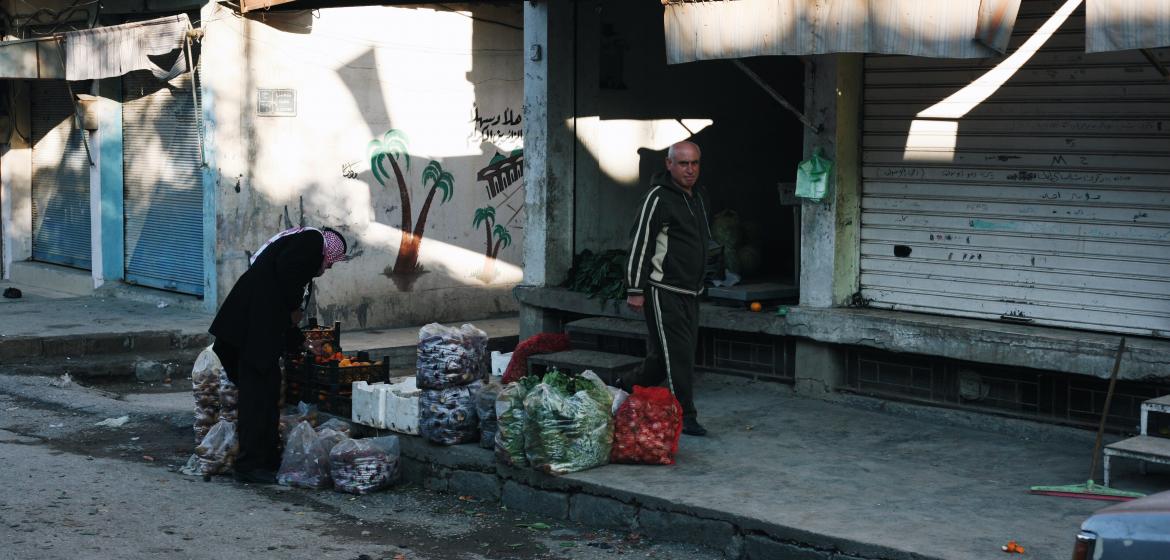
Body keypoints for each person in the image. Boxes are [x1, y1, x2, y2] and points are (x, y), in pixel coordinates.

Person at [209, 226, 349, 483]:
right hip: (252, 331)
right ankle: (249, 465)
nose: (328, 268)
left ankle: (266, 458)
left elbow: (284, 310)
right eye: (330, 262)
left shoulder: (297, 257)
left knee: (268, 390)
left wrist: (302, 341)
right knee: (257, 397)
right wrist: (294, 308)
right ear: (326, 251)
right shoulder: (311, 241)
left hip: (258, 331)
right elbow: (286, 284)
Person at [624, 141, 712, 436]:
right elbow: (640, 244)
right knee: (679, 355)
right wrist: (635, 288)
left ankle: (626, 386)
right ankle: (685, 415)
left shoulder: (698, 197)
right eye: (683, 163)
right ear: (669, 164)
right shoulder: (658, 197)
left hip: (691, 292)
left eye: (695, 163)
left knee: (664, 357)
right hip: (664, 290)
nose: (690, 170)